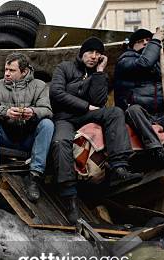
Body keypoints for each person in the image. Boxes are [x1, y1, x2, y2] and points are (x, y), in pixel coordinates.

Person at [49, 37, 143, 222]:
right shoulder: (65, 68)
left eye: (98, 54)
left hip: (86, 115)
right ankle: (70, 198)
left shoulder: (97, 73)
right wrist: (85, 106)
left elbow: (99, 101)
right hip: (65, 118)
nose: (94, 56)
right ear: (82, 53)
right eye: (90, 52)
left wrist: (100, 73)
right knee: (60, 143)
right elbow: (56, 93)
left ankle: (119, 167)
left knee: (115, 112)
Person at [0, 52, 54, 202]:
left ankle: (34, 176)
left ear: (24, 72)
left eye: (12, 70)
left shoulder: (39, 86)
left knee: (47, 124)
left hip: (28, 139)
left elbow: (48, 111)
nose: (6, 73)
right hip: (6, 136)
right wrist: (6, 112)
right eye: (6, 69)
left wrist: (33, 112)